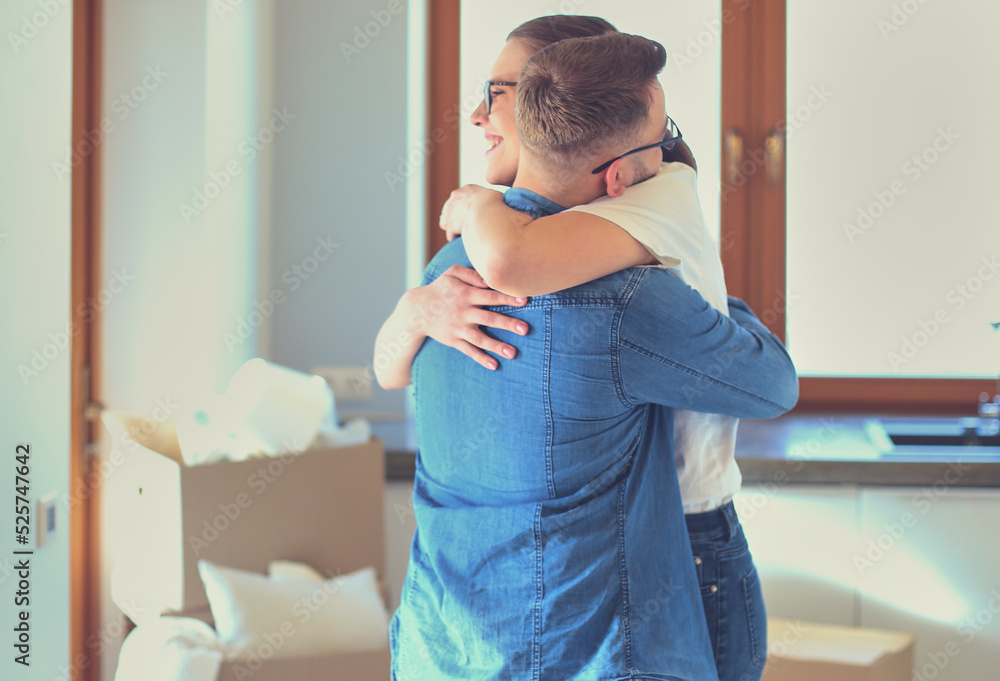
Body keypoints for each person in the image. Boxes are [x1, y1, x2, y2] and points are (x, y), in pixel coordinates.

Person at [378, 30, 798, 680]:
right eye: (661, 140)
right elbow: (772, 385)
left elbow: (393, 366)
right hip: (588, 652)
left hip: (443, 644)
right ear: (621, 175)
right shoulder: (631, 298)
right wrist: (711, 301)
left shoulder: (443, 273)